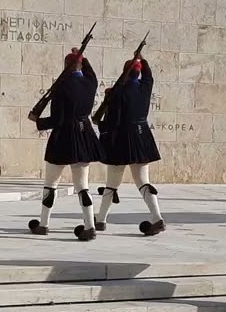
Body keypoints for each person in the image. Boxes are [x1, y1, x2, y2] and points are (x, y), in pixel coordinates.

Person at [28, 48, 104, 241]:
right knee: (83, 186)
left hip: (63, 137)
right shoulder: (90, 83)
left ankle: (44, 224)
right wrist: (82, 57)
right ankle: (89, 226)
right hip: (83, 134)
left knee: (51, 184)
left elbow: (57, 119)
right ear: (81, 65)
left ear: (66, 66)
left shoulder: (61, 86)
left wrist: (38, 121)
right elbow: (91, 73)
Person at [95, 56, 165, 236]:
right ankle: (157, 218)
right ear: (138, 73)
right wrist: (144, 60)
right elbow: (149, 76)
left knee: (112, 182)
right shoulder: (145, 87)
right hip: (142, 136)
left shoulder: (119, 93)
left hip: (122, 139)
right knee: (143, 181)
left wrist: (100, 124)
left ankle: (101, 219)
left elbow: (112, 121)